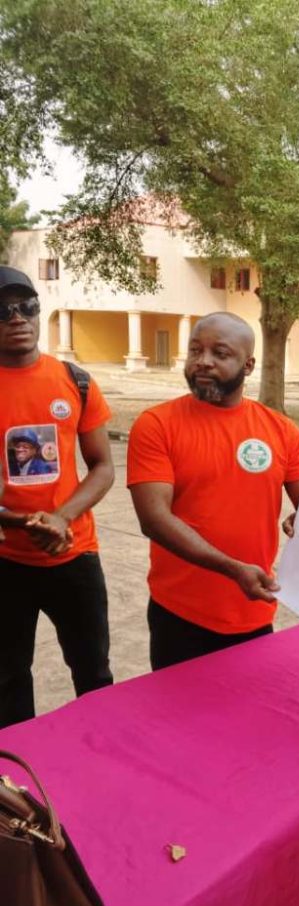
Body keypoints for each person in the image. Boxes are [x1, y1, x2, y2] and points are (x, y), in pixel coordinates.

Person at [127, 311, 299, 670]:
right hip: (179, 613)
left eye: (220, 353)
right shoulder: (156, 425)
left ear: (248, 365)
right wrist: (232, 569)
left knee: (248, 705)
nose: (203, 361)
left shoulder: (282, 431)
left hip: (253, 609)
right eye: (195, 350)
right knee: (177, 706)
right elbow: (153, 519)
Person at [0, 265, 115, 728]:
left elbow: (103, 466)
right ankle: (19, 765)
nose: (17, 318)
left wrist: (62, 518)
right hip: (7, 562)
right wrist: (19, 522)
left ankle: (100, 756)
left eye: (26, 306)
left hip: (75, 556)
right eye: (2, 311)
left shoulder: (75, 380)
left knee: (94, 673)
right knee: (7, 680)